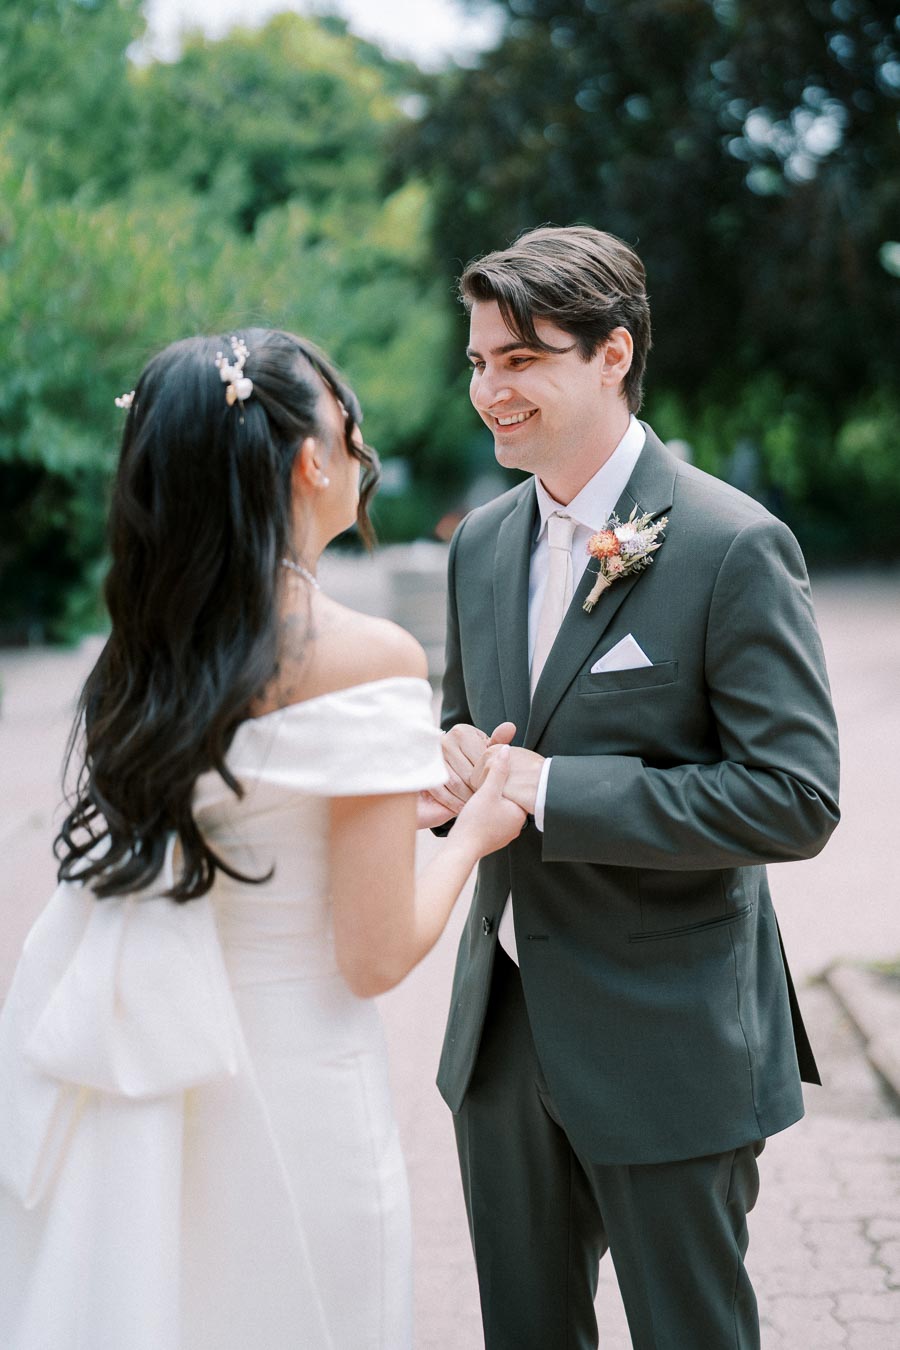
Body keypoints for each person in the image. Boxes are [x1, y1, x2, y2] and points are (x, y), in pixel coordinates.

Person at [0, 328, 525, 1350]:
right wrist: (476, 833)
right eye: (350, 426)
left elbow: (239, 811)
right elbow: (373, 957)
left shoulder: (147, 654)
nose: (363, 453)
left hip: (151, 1082)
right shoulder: (368, 653)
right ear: (307, 460)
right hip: (293, 1083)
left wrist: (363, 819)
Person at [423, 226, 841, 1349]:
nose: (489, 391)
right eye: (476, 362)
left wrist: (553, 790)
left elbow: (794, 797)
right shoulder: (481, 545)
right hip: (504, 1037)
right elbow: (472, 727)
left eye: (521, 360)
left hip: (671, 1039)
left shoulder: (730, 544)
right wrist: (450, 767)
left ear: (612, 354)